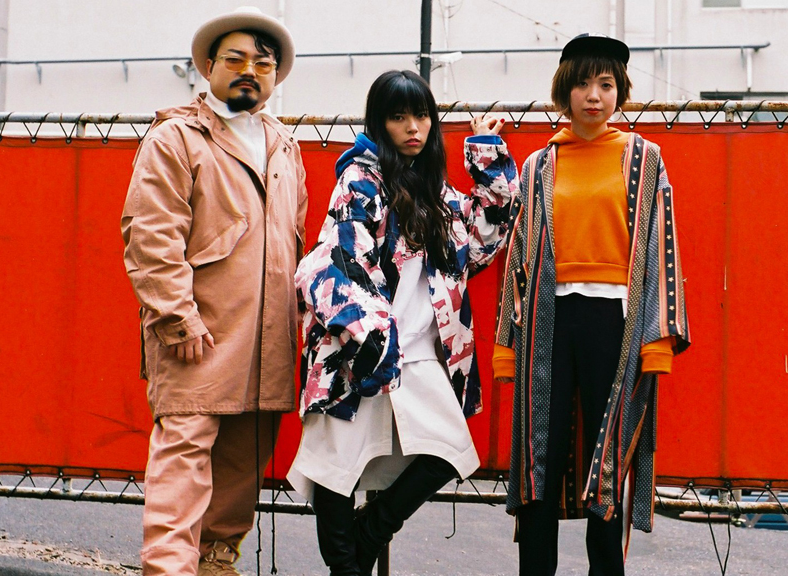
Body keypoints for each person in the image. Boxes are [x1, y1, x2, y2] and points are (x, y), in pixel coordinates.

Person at [287, 69, 518, 576]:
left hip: (420, 353)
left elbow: (484, 239)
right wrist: (370, 338)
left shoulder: (435, 189)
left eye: (422, 115)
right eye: (398, 117)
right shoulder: (359, 180)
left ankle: (373, 529)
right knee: (335, 469)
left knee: (449, 451)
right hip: (360, 348)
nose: (413, 127)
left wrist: (486, 154)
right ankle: (347, 568)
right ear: (379, 122)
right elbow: (343, 258)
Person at [492, 34, 691, 576]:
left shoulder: (644, 159)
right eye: (582, 83)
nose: (594, 96)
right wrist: (507, 348)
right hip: (548, 320)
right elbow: (519, 256)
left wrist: (658, 341)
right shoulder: (539, 165)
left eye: (605, 84)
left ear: (620, 91)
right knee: (539, 458)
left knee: (608, 461)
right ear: (565, 90)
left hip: (615, 321)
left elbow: (661, 247)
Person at [120, 7, 306, 576]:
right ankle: (168, 569)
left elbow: (294, 237)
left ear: (275, 77)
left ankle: (216, 561)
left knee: (244, 462)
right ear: (207, 66)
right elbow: (151, 235)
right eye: (236, 59)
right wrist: (177, 317)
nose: (250, 71)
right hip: (198, 331)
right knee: (184, 454)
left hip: (268, 337)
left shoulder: (284, 144)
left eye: (263, 64)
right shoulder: (175, 137)